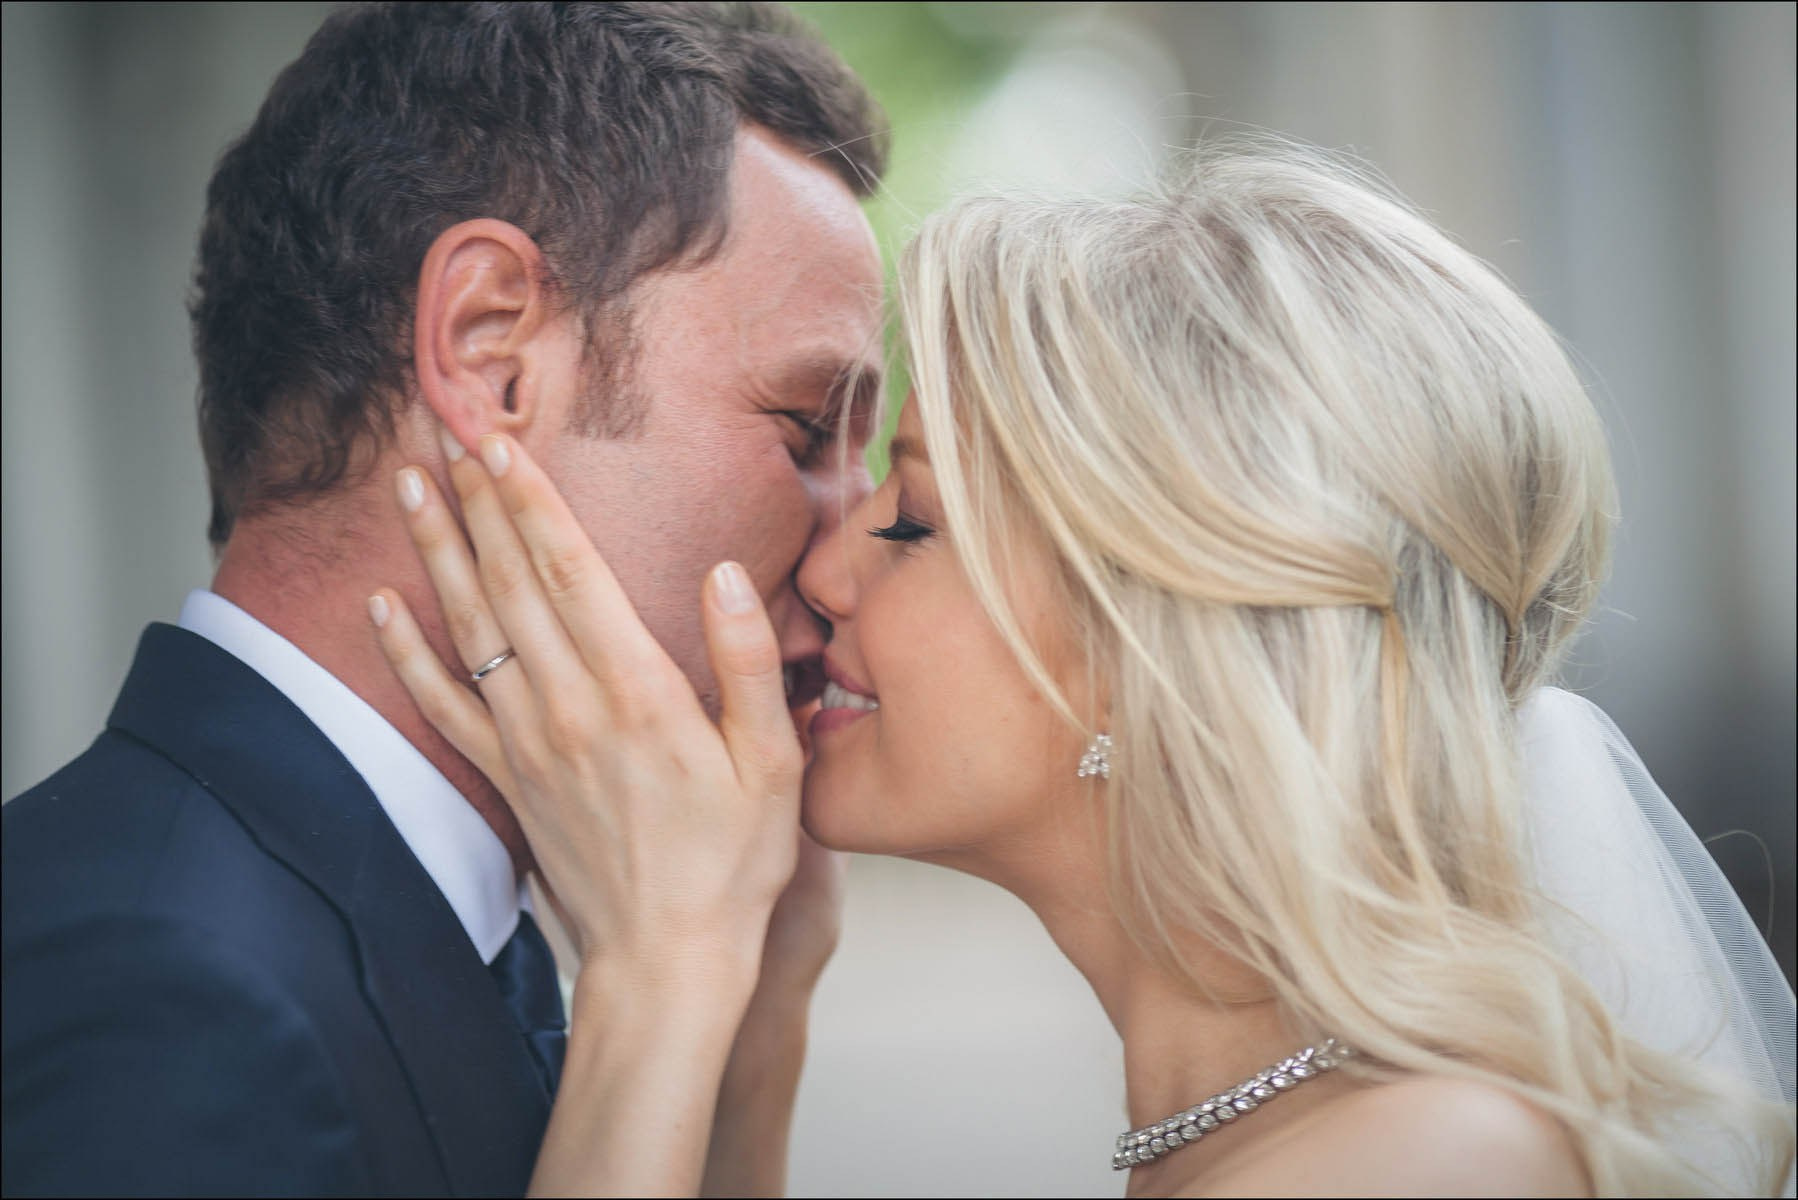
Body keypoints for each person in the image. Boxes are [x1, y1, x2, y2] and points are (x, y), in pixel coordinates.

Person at [373, 144, 1797, 1195]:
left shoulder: (1426, 1167)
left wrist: (654, 974)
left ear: (1150, 637)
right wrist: (750, 1003)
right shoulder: (1268, 1129)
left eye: (912, 520)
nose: (822, 569)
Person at [1, 3, 886, 1195]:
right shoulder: (157, 1000)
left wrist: (746, 1013)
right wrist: (666, 975)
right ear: (488, 349)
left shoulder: (426, 911)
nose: (850, 555)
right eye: (806, 428)